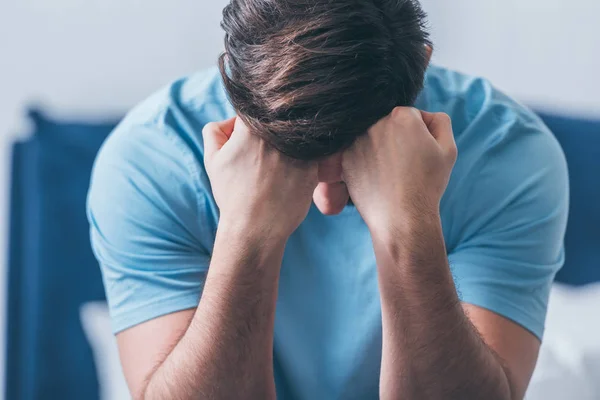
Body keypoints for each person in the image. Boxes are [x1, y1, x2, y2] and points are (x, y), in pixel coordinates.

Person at [87, 1, 568, 399]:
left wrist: (407, 226)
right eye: (293, 155)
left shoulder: (510, 155)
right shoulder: (150, 160)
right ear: (235, 76)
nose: (327, 205)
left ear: (420, 64)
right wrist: (247, 233)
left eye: (355, 157)